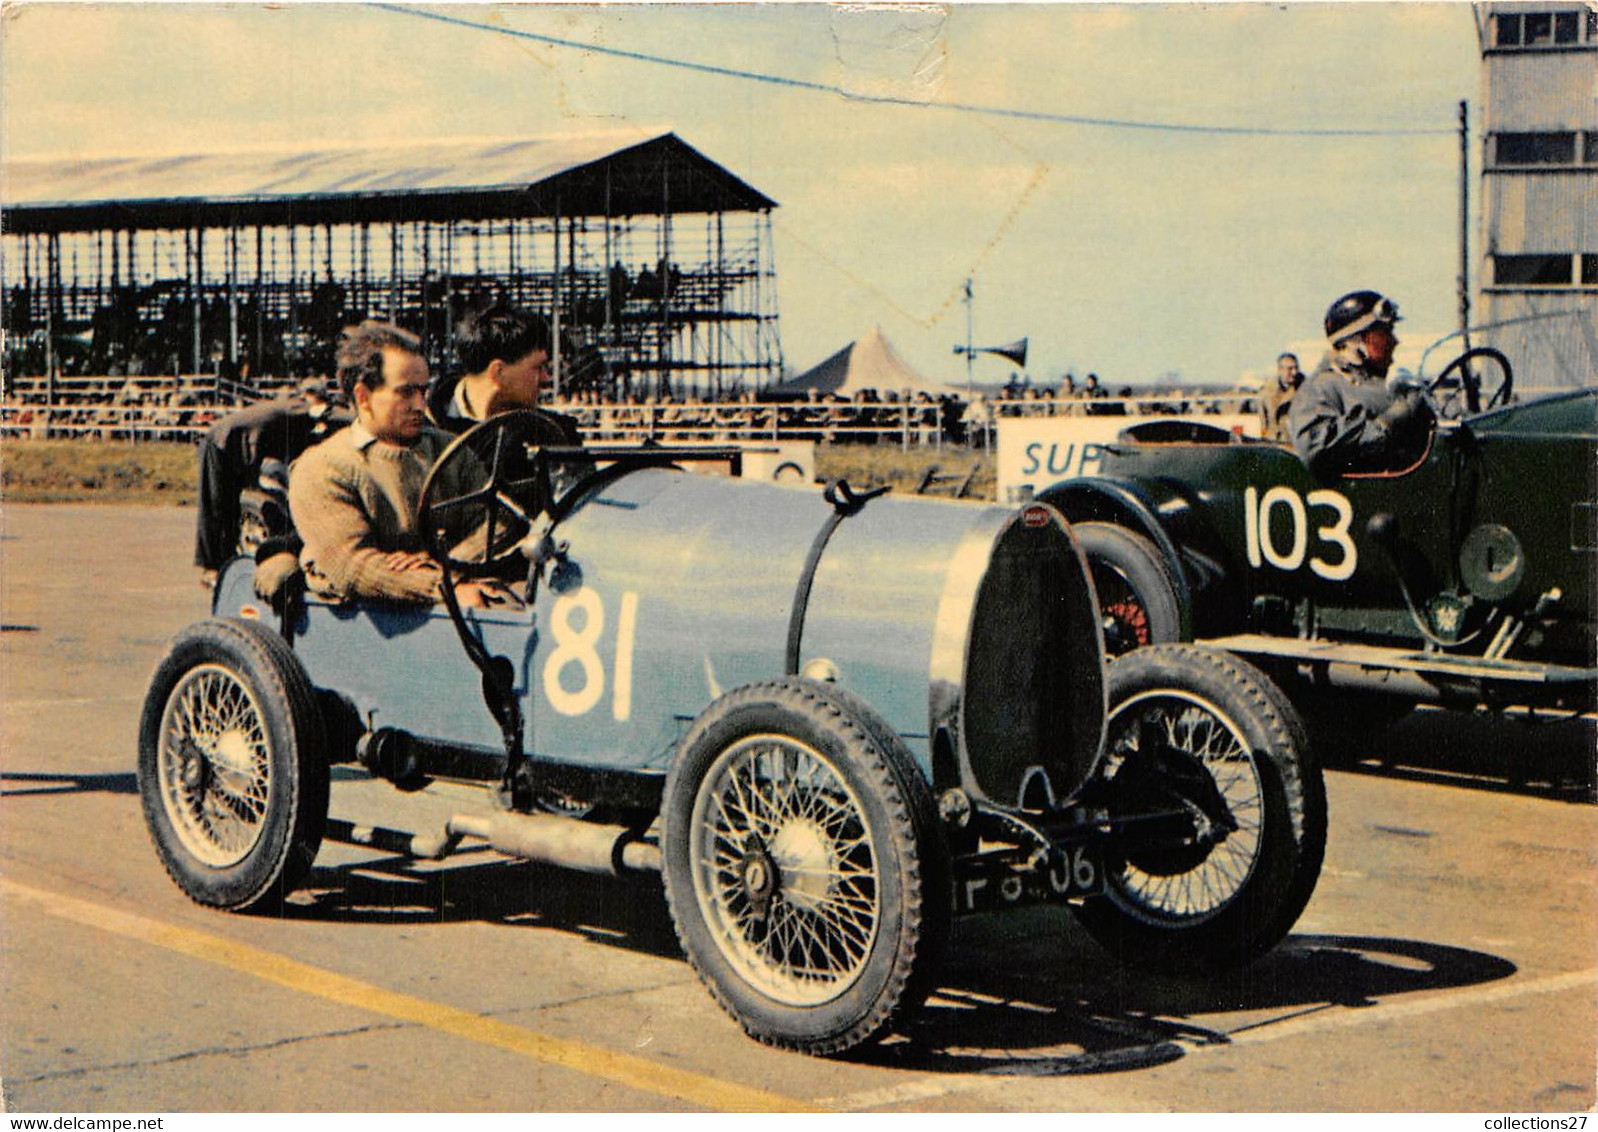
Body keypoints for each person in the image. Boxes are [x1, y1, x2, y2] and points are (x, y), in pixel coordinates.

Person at [287, 321, 513, 609]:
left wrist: (446, 561)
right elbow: (353, 567)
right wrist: (444, 584)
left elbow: (499, 520)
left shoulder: (449, 448)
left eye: (423, 391)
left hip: (459, 593)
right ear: (363, 396)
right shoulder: (323, 468)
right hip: (379, 624)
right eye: (405, 393)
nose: (420, 405)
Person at [193, 375, 347, 588]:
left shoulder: (288, 417)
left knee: (230, 511)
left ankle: (226, 568)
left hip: (240, 452)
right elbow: (326, 413)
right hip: (221, 444)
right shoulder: (297, 406)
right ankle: (211, 568)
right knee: (216, 507)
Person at [1290, 290, 1434, 477]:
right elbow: (1315, 449)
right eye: (1384, 332)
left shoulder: (1382, 383)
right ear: (1355, 340)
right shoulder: (1321, 388)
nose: (1394, 341)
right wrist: (1386, 422)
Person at [1259, 352, 1304, 441]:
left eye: (1296, 368)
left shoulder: (1306, 390)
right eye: (1290, 369)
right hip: (1274, 443)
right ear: (1280, 370)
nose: (1294, 372)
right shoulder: (1267, 392)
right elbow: (1264, 423)